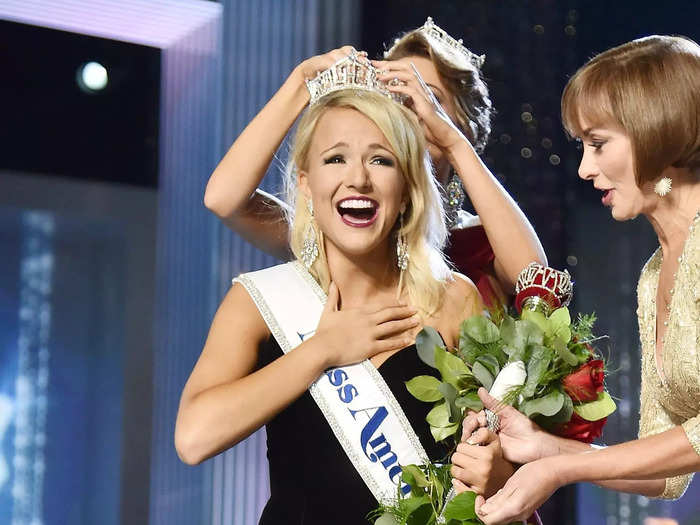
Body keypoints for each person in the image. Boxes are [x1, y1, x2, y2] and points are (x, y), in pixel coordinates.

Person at [174, 55, 515, 523]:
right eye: (335, 158)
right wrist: (322, 351)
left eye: (381, 159)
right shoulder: (259, 301)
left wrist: (495, 472)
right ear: (306, 185)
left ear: (409, 191)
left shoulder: (453, 299)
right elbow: (194, 438)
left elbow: (503, 458)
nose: (358, 178)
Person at [451, 35, 700, 524]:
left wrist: (559, 471)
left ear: (658, 129)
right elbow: (663, 475)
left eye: (598, 144)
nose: (585, 169)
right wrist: (545, 448)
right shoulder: (654, 276)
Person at [203, 18, 546, 309]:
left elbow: (536, 281)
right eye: (396, 93)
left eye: (428, 97)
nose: (411, 109)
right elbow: (224, 199)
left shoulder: (484, 239)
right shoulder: (351, 223)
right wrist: (299, 84)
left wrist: (453, 140)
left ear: (467, 127)